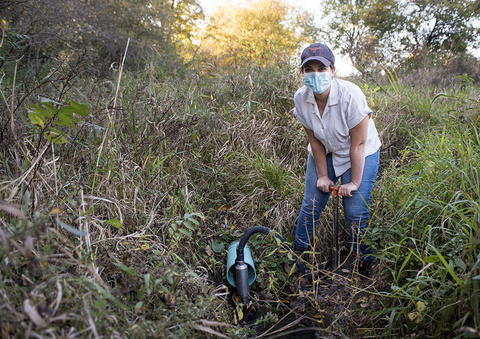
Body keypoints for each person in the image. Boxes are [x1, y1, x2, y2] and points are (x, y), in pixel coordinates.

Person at [292, 43, 381, 269]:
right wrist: (322, 175)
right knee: (311, 203)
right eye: (309, 69)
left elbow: (358, 145)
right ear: (302, 73)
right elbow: (314, 141)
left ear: (333, 70)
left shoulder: (351, 95)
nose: (315, 74)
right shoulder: (301, 99)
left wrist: (353, 183)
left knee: (354, 210)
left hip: (361, 151)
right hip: (326, 149)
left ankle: (364, 263)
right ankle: (297, 256)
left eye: (321, 69)